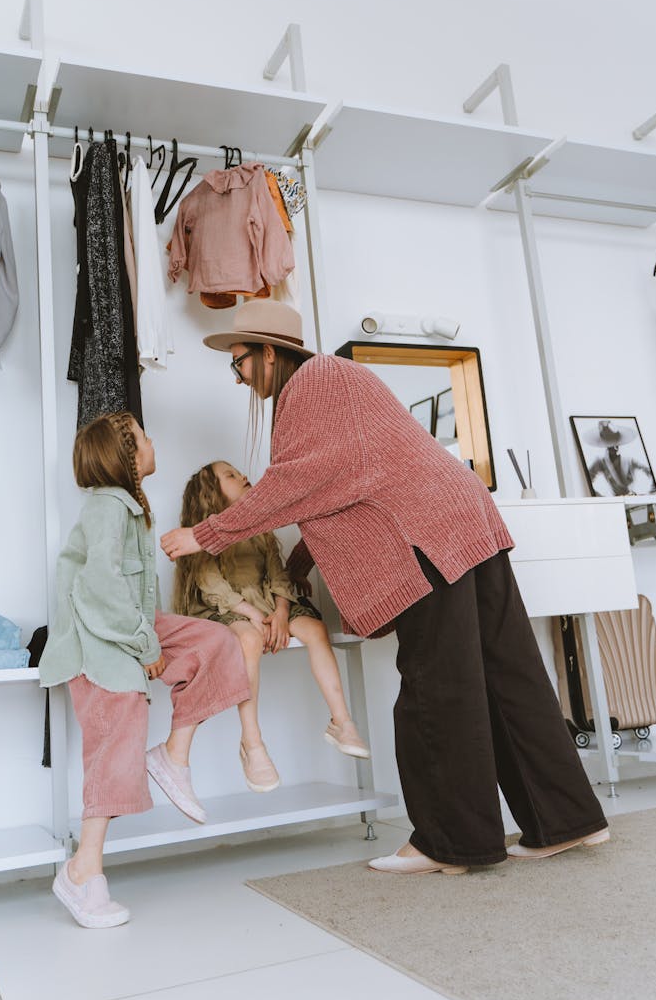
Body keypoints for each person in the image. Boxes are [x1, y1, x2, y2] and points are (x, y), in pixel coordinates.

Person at [161, 301, 609, 876]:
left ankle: (451, 843)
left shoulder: (313, 384)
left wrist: (207, 534)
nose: (240, 377)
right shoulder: (340, 379)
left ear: (269, 353)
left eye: (239, 363)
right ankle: (568, 819)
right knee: (508, 676)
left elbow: (300, 481)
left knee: (436, 690)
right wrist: (300, 560)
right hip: (463, 523)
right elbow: (347, 481)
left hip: (423, 541)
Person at [39, 412, 250, 927]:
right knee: (119, 726)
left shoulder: (129, 508)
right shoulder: (108, 508)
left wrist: (147, 636)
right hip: (95, 638)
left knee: (215, 641)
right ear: (128, 456)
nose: (154, 443)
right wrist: (144, 644)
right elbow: (99, 590)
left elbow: (126, 597)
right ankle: (84, 870)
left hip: (128, 624)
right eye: (144, 438)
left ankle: (172, 757)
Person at [173, 460, 370, 793]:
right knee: (249, 640)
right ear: (210, 494)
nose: (244, 476)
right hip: (229, 607)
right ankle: (252, 742)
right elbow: (211, 584)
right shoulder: (202, 533)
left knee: (316, 629)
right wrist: (250, 614)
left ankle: (342, 721)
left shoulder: (260, 525)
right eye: (231, 475)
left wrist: (280, 612)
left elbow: (278, 574)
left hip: (268, 603)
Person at [585, 419, 655, 497]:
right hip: (616, 502)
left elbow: (652, 473)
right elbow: (586, 481)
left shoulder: (630, 459)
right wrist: (602, 498)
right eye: (611, 445)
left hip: (634, 498)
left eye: (617, 443)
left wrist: (651, 493)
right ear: (606, 445)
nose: (615, 448)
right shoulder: (601, 462)